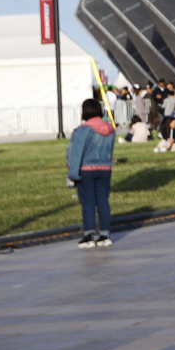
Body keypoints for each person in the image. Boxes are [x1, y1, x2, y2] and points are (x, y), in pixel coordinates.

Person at [68, 99, 116, 249]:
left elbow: (76, 153)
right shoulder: (110, 128)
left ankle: (89, 235)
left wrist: (72, 173)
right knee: (103, 202)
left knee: (88, 203)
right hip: (105, 168)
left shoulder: (83, 130)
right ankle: (105, 235)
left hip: (86, 170)